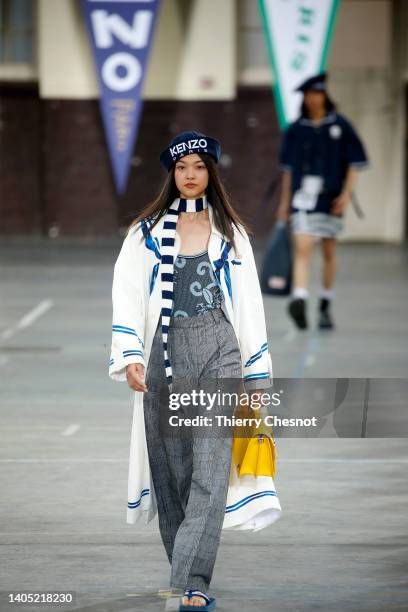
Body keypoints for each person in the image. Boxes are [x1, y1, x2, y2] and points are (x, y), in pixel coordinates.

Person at [108, 131, 281, 611]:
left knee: (209, 470)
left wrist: (255, 375)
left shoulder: (231, 233)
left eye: (199, 167)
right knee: (171, 476)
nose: (190, 175)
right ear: (171, 174)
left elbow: (248, 304)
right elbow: (125, 292)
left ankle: (192, 582)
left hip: (219, 352)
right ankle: (184, 572)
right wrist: (129, 355)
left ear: (211, 173)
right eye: (182, 168)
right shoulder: (145, 232)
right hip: (163, 356)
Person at [276, 72, 368, 330]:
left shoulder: (340, 125)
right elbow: (288, 170)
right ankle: (300, 300)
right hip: (301, 199)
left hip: (331, 199)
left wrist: (347, 194)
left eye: (317, 93)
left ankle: (325, 304)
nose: (313, 99)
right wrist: (284, 203)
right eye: (308, 95)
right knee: (304, 246)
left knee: (328, 251)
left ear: (325, 95)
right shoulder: (295, 130)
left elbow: (355, 163)